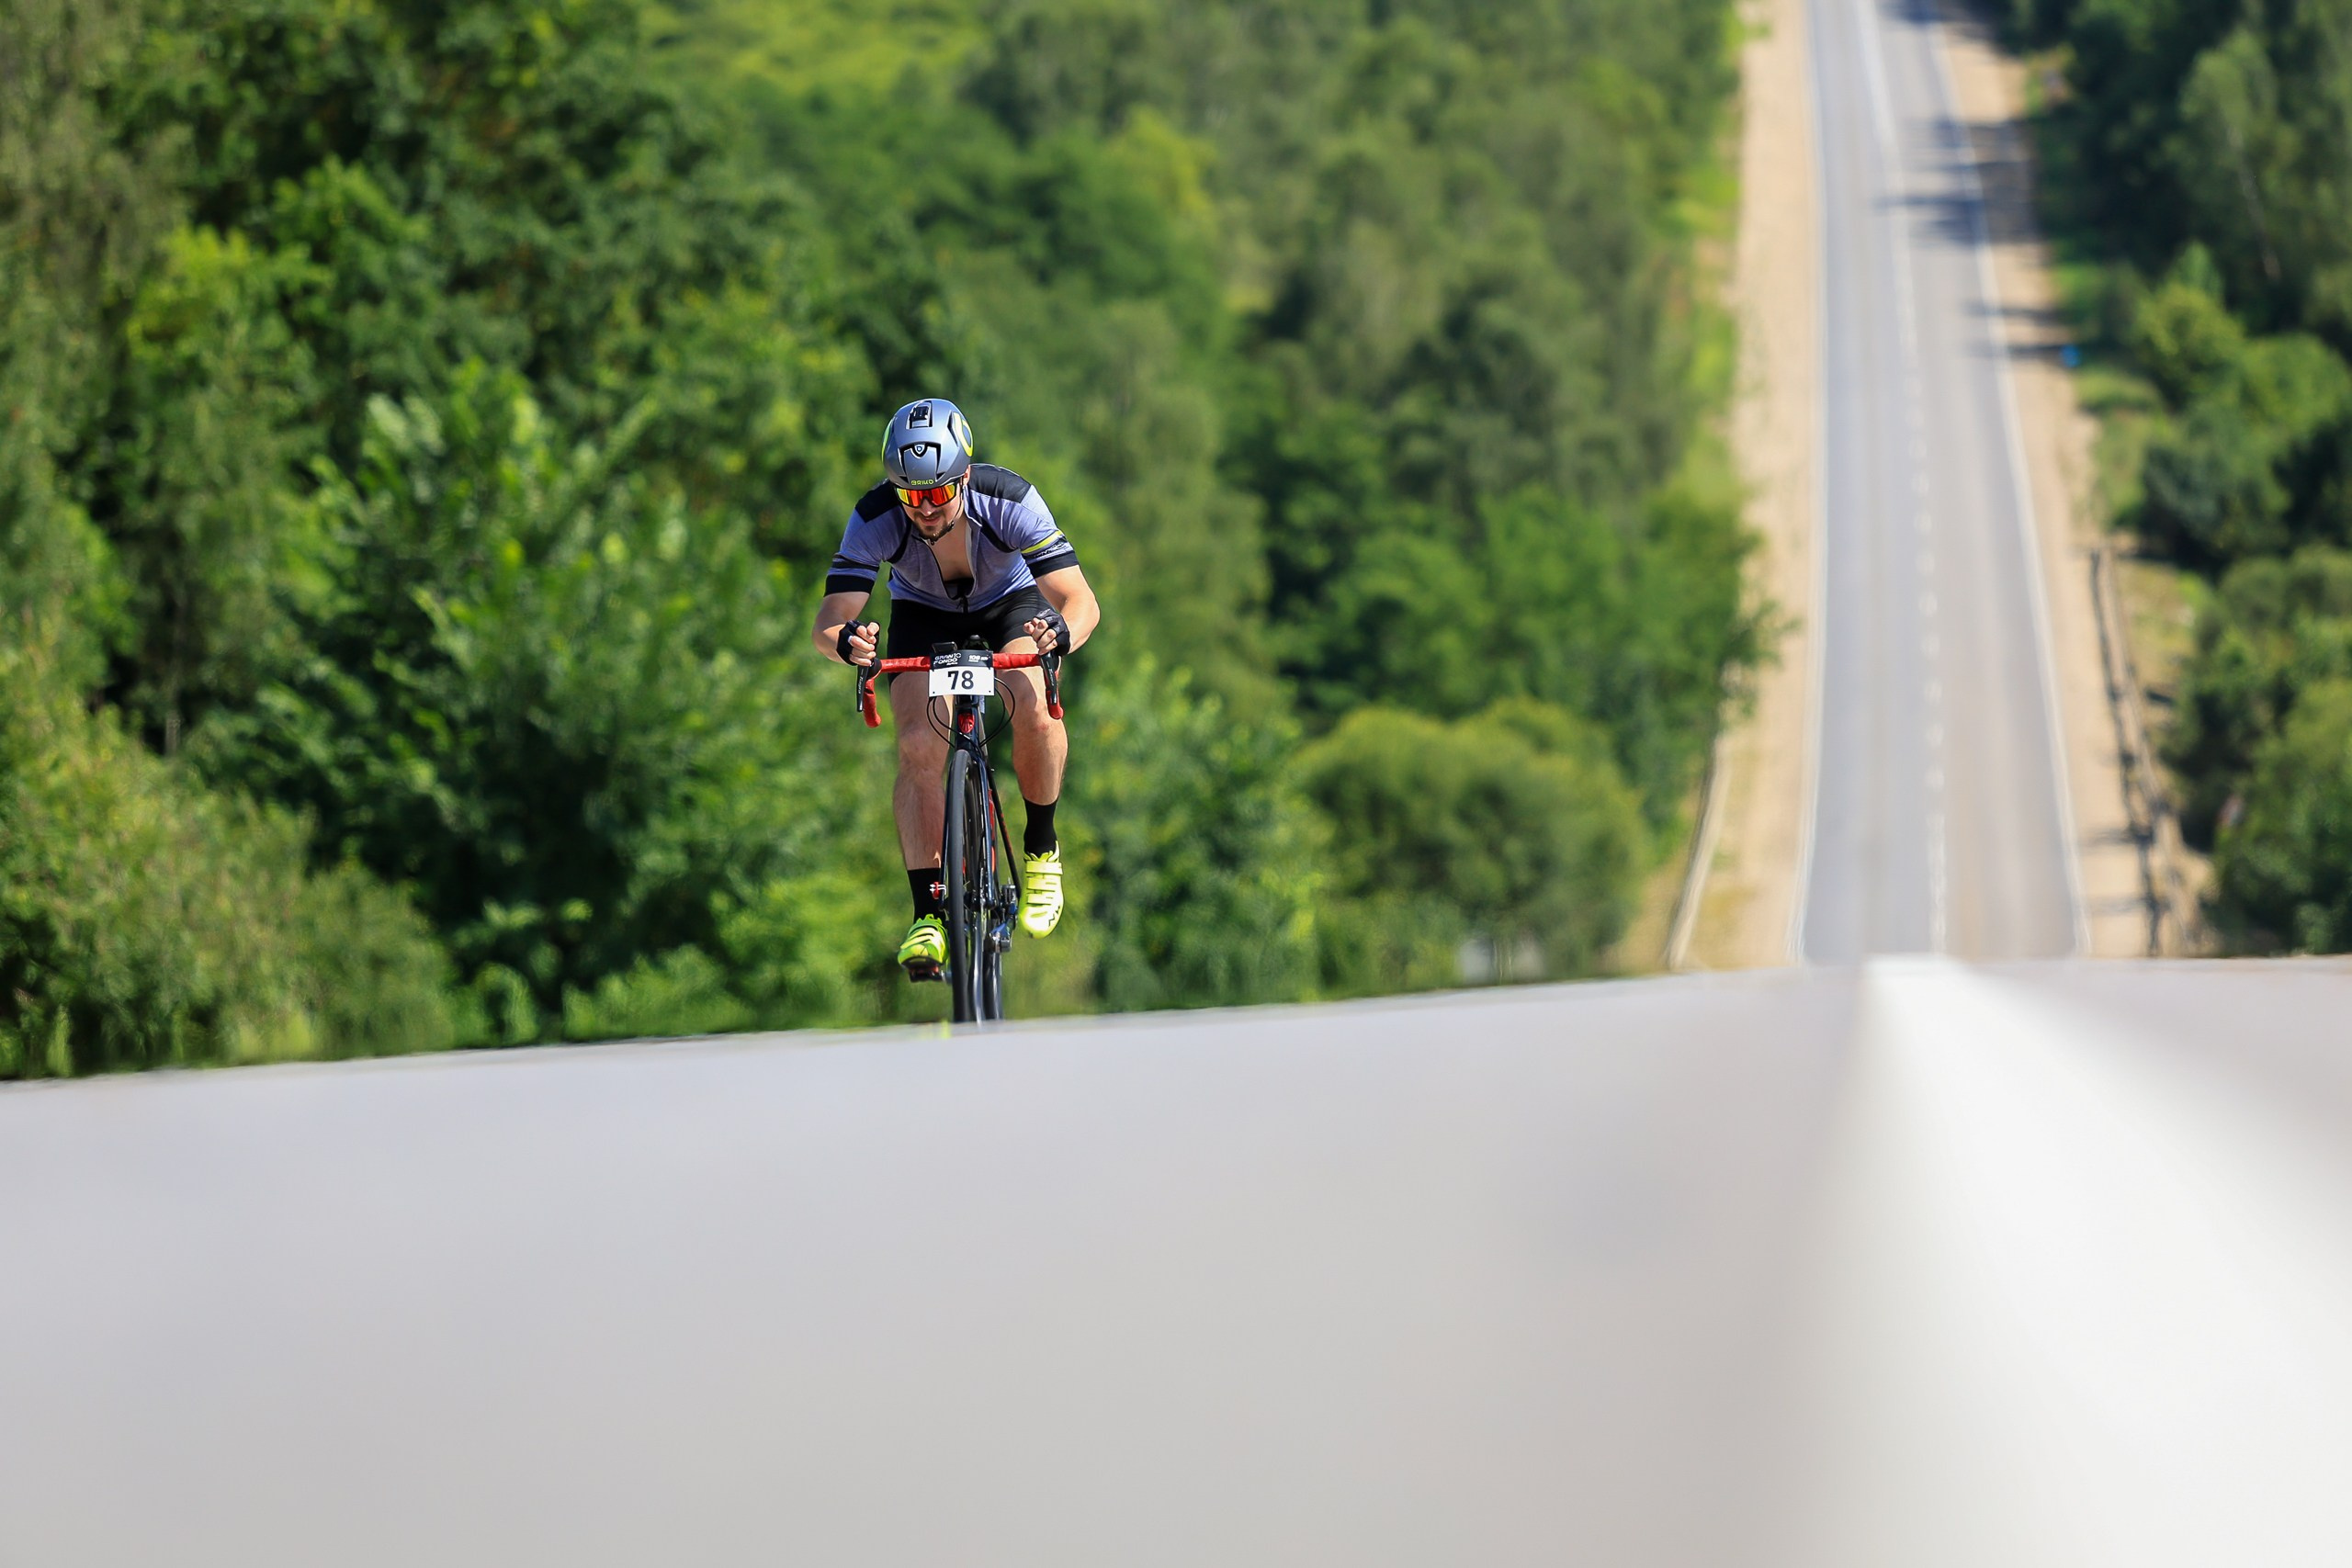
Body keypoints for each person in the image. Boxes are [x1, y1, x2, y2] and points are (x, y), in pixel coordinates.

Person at [811, 398, 1102, 981]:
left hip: (1008, 605)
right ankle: (929, 914)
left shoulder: (1010, 500)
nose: (922, 509)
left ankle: (1042, 848)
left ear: (965, 476)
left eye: (938, 494)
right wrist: (849, 643)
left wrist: (1062, 635)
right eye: (909, 494)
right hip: (923, 616)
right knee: (919, 746)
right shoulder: (874, 517)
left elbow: (1081, 600)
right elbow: (829, 621)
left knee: (1037, 708)